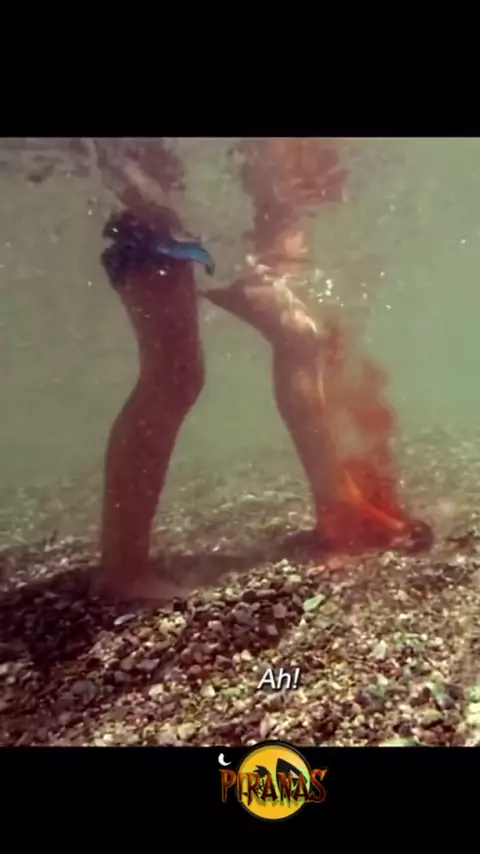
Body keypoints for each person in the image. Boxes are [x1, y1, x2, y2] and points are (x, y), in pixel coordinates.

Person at [95, 139, 430, 602]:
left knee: (301, 335)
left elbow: (273, 207)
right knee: (175, 374)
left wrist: (282, 225)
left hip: (195, 224)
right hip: (150, 217)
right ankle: (123, 569)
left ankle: (338, 510)